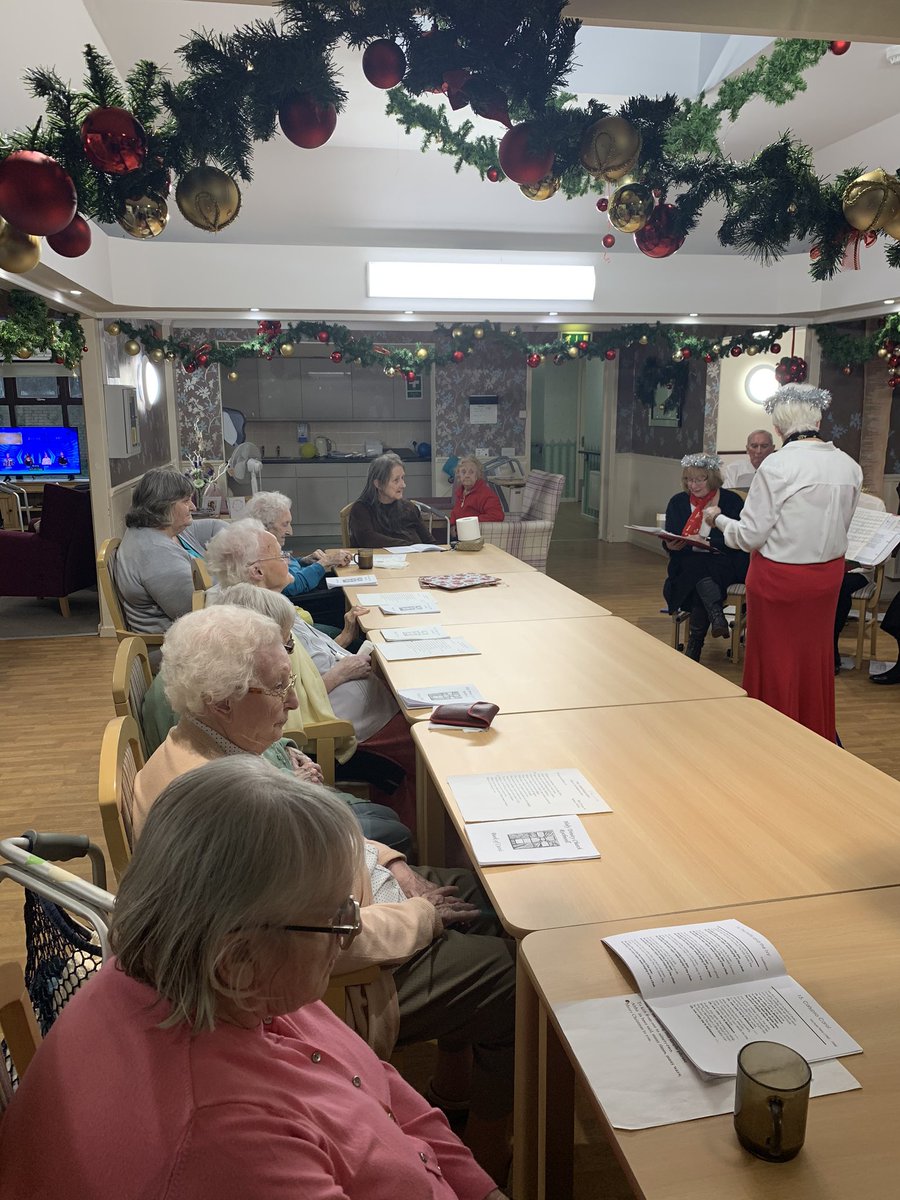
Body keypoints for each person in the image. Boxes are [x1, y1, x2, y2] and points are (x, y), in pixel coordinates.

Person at [0, 757, 509, 1199]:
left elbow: (378, 1083)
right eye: (337, 917)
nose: (350, 929)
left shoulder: (215, 974)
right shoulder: (224, 1140)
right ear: (237, 961)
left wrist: (476, 1185)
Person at [139, 595, 413, 855]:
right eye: (278, 687)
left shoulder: (200, 728)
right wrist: (407, 891)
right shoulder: (226, 797)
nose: (294, 702)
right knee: (396, 832)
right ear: (222, 702)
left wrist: (288, 748)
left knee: (387, 820)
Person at [205, 519, 417, 827]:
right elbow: (280, 704)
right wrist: (342, 673)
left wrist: (345, 638)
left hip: (366, 709)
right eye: (280, 555)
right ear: (257, 571)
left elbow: (306, 664)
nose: (289, 559)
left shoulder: (274, 605)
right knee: (423, 743)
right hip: (345, 730)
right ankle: (423, 834)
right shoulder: (257, 623)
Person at [706, 383, 862, 740]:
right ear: (818, 419)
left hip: (780, 579)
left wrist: (719, 519)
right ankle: (815, 730)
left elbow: (749, 537)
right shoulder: (849, 466)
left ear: (778, 427)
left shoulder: (777, 466)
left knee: (775, 660)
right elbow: (843, 523)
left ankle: (774, 736)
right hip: (827, 579)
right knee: (813, 659)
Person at [114, 466, 222, 637]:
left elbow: (215, 527)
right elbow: (195, 609)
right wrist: (238, 577)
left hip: (194, 632)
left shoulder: (165, 530)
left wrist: (249, 538)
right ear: (164, 506)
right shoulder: (154, 553)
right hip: (175, 647)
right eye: (186, 501)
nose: (193, 507)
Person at [662, 453, 748, 661]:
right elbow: (670, 538)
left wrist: (708, 542)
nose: (694, 484)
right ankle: (716, 615)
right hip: (688, 561)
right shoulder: (678, 502)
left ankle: (695, 646)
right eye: (689, 480)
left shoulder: (731, 501)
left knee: (700, 567)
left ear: (711, 478)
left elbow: (739, 540)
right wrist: (670, 545)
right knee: (697, 565)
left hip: (726, 562)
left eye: (700, 479)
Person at [243, 490, 351, 628]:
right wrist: (325, 562)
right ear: (265, 526)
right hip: (302, 605)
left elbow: (286, 567)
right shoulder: (260, 553)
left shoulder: (261, 543)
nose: (290, 531)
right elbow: (292, 585)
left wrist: (302, 561)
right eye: (284, 524)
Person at [834, 491, 886, 674]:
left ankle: (831, 643)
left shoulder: (874, 505)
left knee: (839, 586)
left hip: (859, 570)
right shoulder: (827, 498)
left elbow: (881, 552)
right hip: (828, 565)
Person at [348, 452, 440, 548]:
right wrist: (409, 546)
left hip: (415, 561)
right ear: (378, 484)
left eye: (403, 478)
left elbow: (430, 542)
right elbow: (367, 540)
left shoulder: (409, 508)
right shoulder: (361, 509)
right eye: (396, 480)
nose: (403, 485)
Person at [450, 457, 504, 528]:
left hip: (477, 534)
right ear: (459, 476)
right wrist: (452, 525)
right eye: (463, 472)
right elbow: (455, 512)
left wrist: (470, 521)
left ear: (477, 476)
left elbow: (497, 516)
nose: (467, 475)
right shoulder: (461, 492)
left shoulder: (486, 494)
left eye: (471, 472)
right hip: (461, 531)